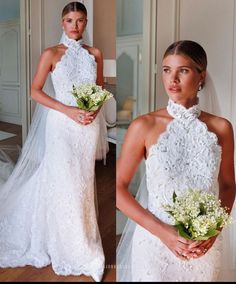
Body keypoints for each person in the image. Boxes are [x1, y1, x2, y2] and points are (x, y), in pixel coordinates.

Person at [0, 2, 108, 282]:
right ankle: (70, 246)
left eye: (81, 20)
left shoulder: (94, 53)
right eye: (70, 20)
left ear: (86, 23)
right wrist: (69, 110)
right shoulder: (51, 53)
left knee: (82, 181)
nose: (75, 25)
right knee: (64, 180)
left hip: (87, 127)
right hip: (61, 125)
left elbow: (99, 88)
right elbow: (35, 92)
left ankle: (81, 236)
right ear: (62, 23)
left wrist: (93, 111)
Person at [116, 40, 236, 281]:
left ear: (201, 75)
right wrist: (164, 233)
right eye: (166, 70)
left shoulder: (222, 128)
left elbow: (228, 185)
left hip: (202, 246)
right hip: (154, 244)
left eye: (183, 70)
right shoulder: (144, 125)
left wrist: (213, 232)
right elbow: (119, 190)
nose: (172, 79)